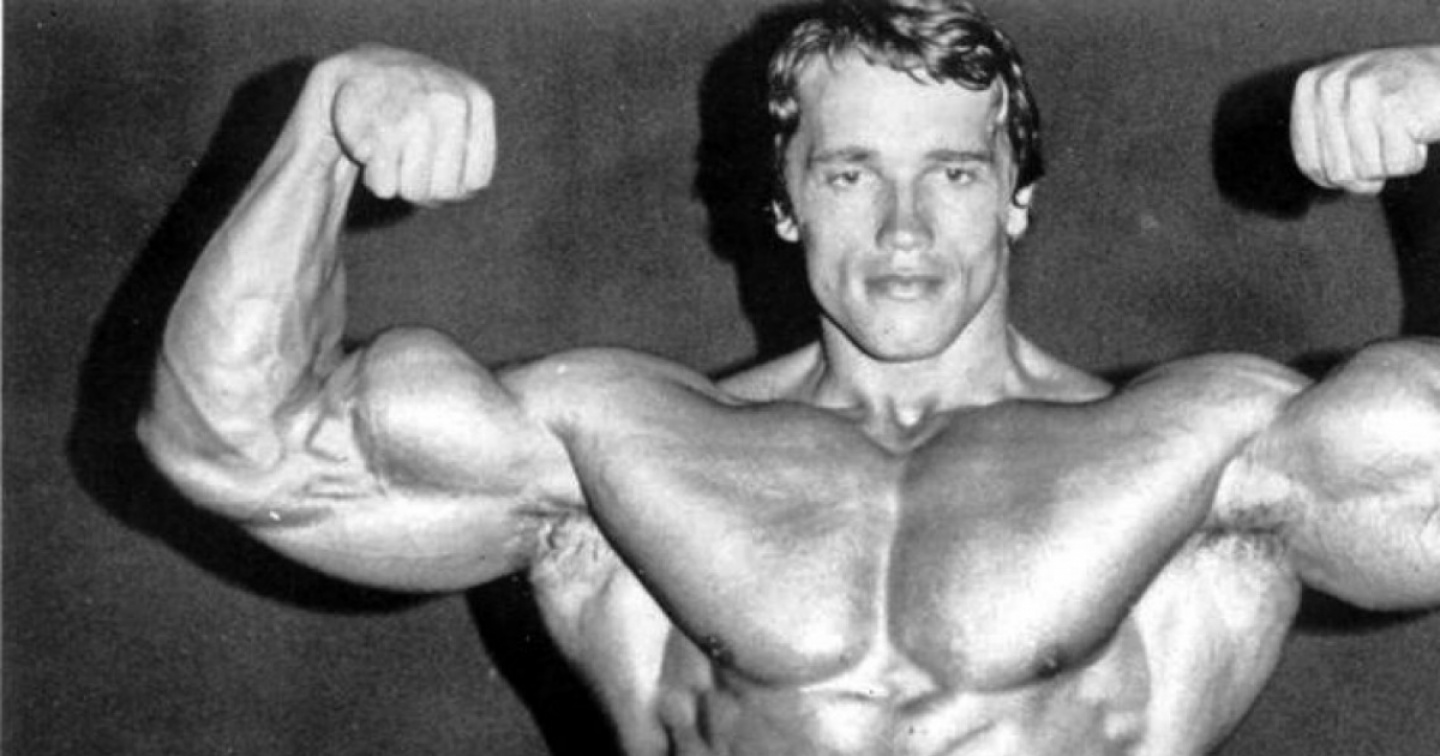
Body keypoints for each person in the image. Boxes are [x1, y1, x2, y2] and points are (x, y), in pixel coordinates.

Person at [137, 1, 1440, 754]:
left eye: (954, 173)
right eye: (850, 173)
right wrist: (328, 123)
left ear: (1018, 197)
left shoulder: (1201, 452)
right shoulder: (616, 444)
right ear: (785, 203)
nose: (905, 228)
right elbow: (233, 447)